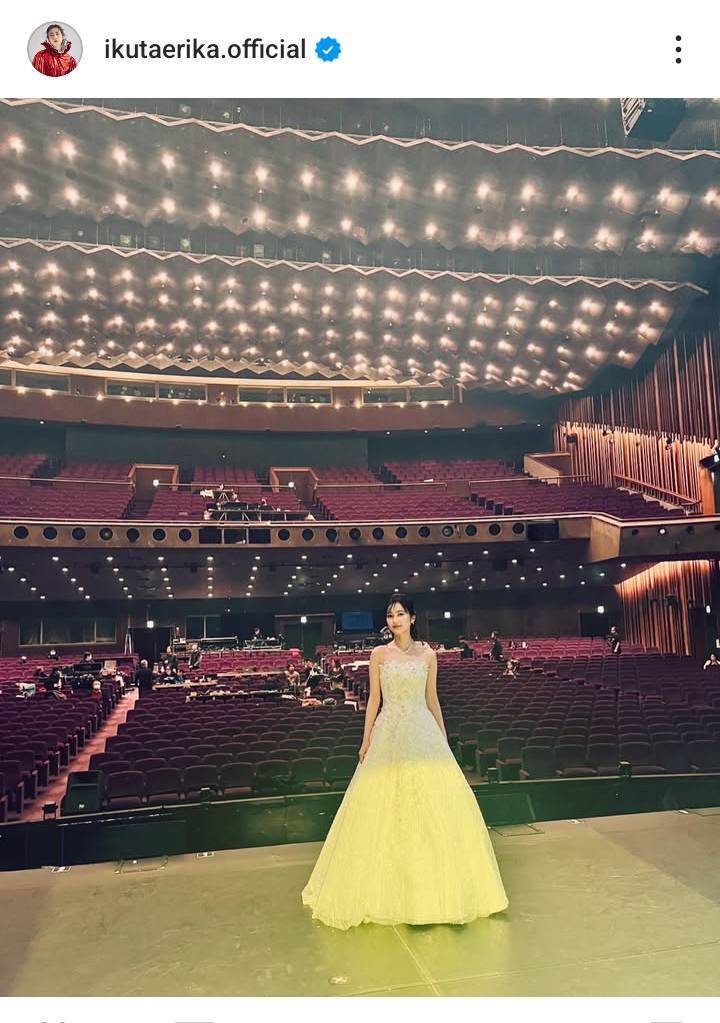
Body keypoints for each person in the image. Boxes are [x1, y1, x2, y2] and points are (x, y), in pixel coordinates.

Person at [302, 593, 508, 930]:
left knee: (430, 807)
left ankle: (435, 892)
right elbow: (374, 701)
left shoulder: (428, 654)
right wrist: (366, 739)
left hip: (422, 730)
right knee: (385, 805)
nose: (394, 620)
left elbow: (432, 699)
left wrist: (442, 738)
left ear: (412, 618)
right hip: (389, 731)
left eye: (400, 614)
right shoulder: (378, 654)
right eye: (390, 615)